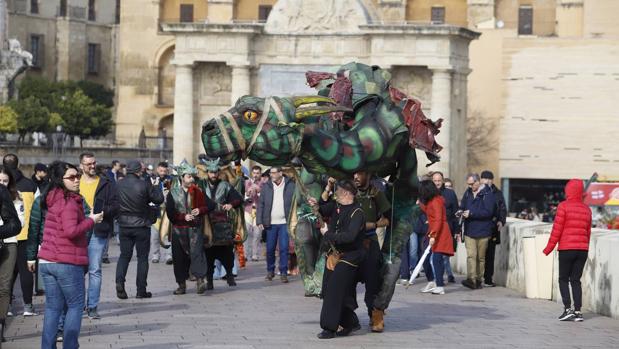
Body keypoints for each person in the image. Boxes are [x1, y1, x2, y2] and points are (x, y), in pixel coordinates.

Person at [37, 161, 104, 348]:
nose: (77, 180)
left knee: (52, 308)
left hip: (47, 261)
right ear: (60, 180)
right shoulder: (69, 201)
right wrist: (91, 220)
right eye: (72, 177)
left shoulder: (53, 197)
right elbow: (71, 231)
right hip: (66, 262)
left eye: (78, 176)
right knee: (75, 306)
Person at [309, 179, 366, 339]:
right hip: (334, 255)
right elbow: (322, 207)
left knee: (334, 290)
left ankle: (329, 328)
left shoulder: (357, 213)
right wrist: (316, 204)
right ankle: (350, 322)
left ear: (347, 193)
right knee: (327, 291)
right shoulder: (338, 206)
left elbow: (350, 237)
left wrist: (328, 234)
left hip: (350, 256)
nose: (336, 195)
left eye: (338, 192)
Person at [543, 179, 592, 322]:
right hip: (582, 250)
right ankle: (578, 312)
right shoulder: (586, 209)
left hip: (566, 248)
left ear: (568, 191)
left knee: (563, 279)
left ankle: (567, 309)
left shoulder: (563, 206)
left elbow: (556, 230)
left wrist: (548, 249)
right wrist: (584, 246)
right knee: (576, 280)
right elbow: (587, 232)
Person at [115, 160, 164, 299]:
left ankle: (120, 282)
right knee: (142, 258)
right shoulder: (144, 184)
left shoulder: (119, 184)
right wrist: (155, 187)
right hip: (141, 224)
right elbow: (159, 199)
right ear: (138, 171)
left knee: (124, 256)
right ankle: (141, 290)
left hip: (124, 224)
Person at [165, 161, 216, 295]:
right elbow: (170, 212)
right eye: (188, 176)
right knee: (179, 258)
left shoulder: (198, 191)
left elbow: (211, 205)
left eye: (192, 176)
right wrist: (182, 217)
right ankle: (181, 285)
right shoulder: (173, 193)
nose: (191, 179)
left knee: (197, 254)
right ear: (182, 177)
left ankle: (200, 281)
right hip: (179, 230)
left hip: (194, 229)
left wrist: (200, 210)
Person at [78, 152, 119, 319]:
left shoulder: (106, 182)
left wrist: (102, 212)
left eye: (94, 163)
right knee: (78, 270)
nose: (92, 166)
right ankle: (78, 305)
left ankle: (92, 306)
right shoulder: (74, 181)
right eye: (88, 164)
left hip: (98, 230)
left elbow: (116, 205)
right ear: (81, 166)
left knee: (95, 269)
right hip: (78, 230)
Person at [351, 171, 390, 332]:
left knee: (373, 283)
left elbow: (388, 218)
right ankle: (346, 318)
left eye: (359, 174)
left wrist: (371, 225)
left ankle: (375, 316)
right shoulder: (347, 191)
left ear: (367, 175)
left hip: (370, 243)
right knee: (346, 283)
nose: (355, 178)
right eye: (353, 175)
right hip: (350, 244)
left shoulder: (376, 193)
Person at [198, 158, 243, 290]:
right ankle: (210, 280)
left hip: (222, 223)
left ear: (218, 173)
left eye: (215, 172)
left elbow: (238, 199)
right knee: (208, 253)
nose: (213, 175)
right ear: (207, 173)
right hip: (206, 223)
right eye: (211, 172)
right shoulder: (201, 185)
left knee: (226, 252)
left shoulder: (225, 185)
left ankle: (229, 275)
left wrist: (231, 204)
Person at [2, 154, 37, 317]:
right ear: (19, 164)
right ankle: (28, 306)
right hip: (25, 234)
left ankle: (7, 306)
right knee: (26, 271)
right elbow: (38, 209)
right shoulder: (30, 185)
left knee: (7, 274)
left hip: (6, 237)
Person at [257, 167, 295, 283]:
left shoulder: (290, 185)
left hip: (284, 222)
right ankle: (270, 271)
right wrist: (259, 221)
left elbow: (296, 201)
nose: (271, 175)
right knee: (270, 249)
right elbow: (261, 205)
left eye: (273, 173)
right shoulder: (266, 186)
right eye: (270, 173)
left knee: (284, 248)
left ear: (280, 173)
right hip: (270, 223)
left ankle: (283, 272)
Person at [418, 180, 455, 295]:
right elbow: (430, 212)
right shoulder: (432, 201)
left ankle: (439, 285)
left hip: (440, 232)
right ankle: (432, 281)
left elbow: (438, 219)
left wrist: (433, 235)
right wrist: (419, 204)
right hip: (434, 231)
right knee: (425, 256)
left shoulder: (436, 201)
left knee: (436, 259)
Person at [460, 173, 495, 290]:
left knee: (480, 258)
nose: (470, 186)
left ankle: (479, 279)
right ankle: (471, 279)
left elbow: (488, 212)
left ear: (477, 182)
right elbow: (463, 205)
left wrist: (472, 214)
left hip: (483, 231)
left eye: (471, 184)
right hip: (469, 230)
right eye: (468, 184)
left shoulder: (487, 194)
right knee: (471, 256)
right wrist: (460, 211)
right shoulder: (467, 193)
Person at [0, 166, 23, 342]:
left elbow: (18, 223)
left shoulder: (16, 197)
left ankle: (1, 323)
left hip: (9, 243)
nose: (2, 183)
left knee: (5, 285)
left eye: (5, 181)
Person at [480, 170, 507, 287]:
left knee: (490, 254)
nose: (487, 181)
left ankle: (488, 278)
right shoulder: (477, 191)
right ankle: (476, 277)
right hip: (479, 227)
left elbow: (502, 208)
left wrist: (501, 221)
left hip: (492, 227)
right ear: (481, 180)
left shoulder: (498, 193)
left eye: (489, 179)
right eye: (485, 179)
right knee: (478, 254)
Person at [431, 171, 458, 283]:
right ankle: (437, 278)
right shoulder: (429, 193)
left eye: (439, 181)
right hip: (432, 229)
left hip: (447, 229)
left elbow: (456, 212)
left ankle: (439, 279)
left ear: (443, 181)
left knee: (443, 256)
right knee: (434, 257)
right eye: (435, 181)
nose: (437, 183)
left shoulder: (450, 194)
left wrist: (457, 230)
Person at [150, 162, 173, 265]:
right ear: (157, 169)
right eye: (161, 171)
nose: (162, 173)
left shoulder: (171, 180)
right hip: (155, 212)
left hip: (167, 212)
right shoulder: (151, 179)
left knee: (167, 235)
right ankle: (155, 254)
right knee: (154, 236)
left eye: (164, 171)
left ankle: (168, 255)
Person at [244, 165, 263, 261]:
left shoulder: (264, 183)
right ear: (251, 173)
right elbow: (242, 196)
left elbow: (265, 198)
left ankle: (255, 255)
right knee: (246, 232)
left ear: (260, 174)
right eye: (254, 173)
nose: (255, 175)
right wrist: (247, 194)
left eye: (257, 173)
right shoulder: (246, 182)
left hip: (259, 210)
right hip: (248, 209)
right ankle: (245, 254)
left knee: (257, 233)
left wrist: (259, 191)